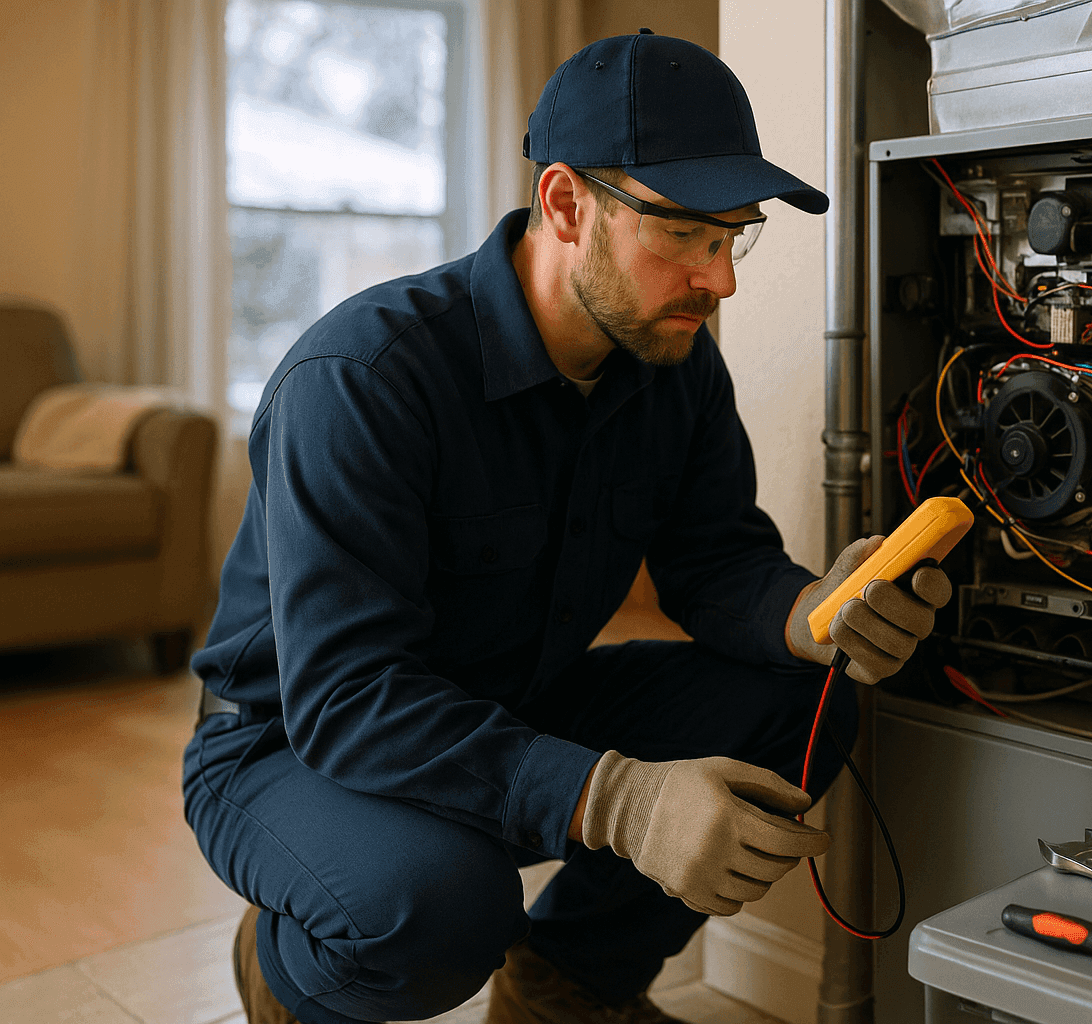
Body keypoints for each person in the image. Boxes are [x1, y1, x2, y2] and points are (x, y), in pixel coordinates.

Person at [184, 29, 951, 1024]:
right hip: (289, 744)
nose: (720, 282)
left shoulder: (670, 360)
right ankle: (290, 959)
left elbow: (716, 560)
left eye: (732, 236)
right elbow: (351, 697)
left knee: (799, 700)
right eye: (683, 234)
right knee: (440, 900)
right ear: (563, 203)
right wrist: (623, 801)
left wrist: (819, 610)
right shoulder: (363, 382)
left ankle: (566, 987)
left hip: (506, 696)